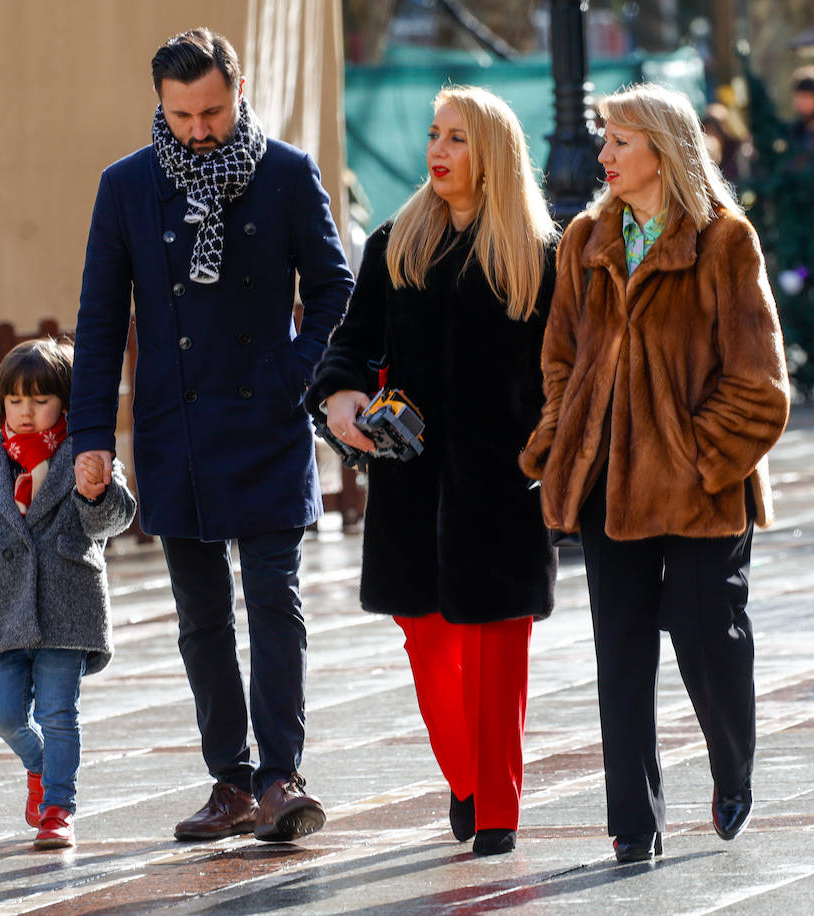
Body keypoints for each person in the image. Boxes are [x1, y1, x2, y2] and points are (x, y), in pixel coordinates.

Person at [69, 28, 353, 843]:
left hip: (266, 421)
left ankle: (281, 776)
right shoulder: (126, 187)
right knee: (200, 613)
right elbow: (98, 322)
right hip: (175, 425)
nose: (200, 129)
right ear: (160, 104)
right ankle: (228, 781)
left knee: (274, 598)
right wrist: (92, 432)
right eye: (183, 113)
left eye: (214, 111)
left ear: (238, 90)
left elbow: (337, 291)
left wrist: (294, 373)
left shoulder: (288, 175)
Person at [519, 83, 791, 863]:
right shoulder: (583, 241)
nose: (603, 155)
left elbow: (761, 386)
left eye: (620, 142)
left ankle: (732, 767)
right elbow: (561, 361)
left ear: (664, 152)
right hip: (608, 480)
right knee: (623, 648)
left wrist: (700, 456)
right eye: (604, 140)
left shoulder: (724, 241)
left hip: (705, 484)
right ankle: (633, 823)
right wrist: (559, 440)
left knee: (708, 628)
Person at [304, 85, 557, 856]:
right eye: (434, 135)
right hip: (410, 485)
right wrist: (344, 399)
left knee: (496, 656)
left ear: (493, 154)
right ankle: (468, 776)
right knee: (428, 642)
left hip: (502, 489)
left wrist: (545, 450)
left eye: (457, 139)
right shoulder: (394, 243)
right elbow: (348, 346)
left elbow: (562, 373)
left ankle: (498, 809)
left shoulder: (541, 255)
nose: (438, 152)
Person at [0, 338, 137, 850]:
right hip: (5, 616)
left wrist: (96, 492)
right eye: (15, 401)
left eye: (40, 400)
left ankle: (59, 807)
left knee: (59, 712)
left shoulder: (87, 456)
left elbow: (115, 521)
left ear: (65, 400)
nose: (27, 412)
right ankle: (39, 767)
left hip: (69, 614)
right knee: (4, 714)